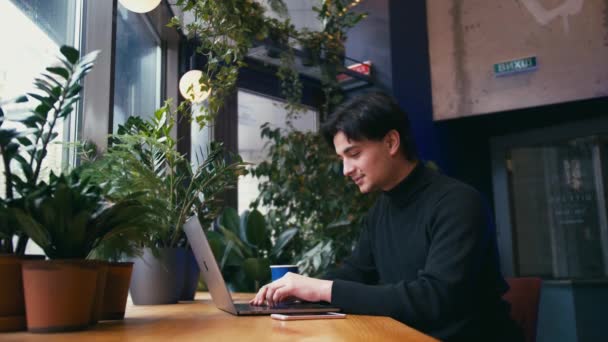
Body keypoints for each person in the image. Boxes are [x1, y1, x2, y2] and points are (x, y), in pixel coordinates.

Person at [251, 91, 522, 341]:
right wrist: (300, 292)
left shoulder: (458, 202)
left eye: (354, 154)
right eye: (341, 159)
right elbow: (355, 273)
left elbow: (434, 298)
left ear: (391, 142)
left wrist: (321, 289)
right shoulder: (380, 211)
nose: (346, 170)